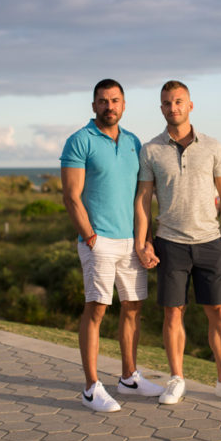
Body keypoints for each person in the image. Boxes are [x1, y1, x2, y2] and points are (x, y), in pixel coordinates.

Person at [134, 80, 221, 406]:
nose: (173, 108)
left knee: (219, 312)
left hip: (211, 243)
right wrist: (143, 242)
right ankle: (176, 379)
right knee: (173, 314)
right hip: (169, 242)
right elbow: (144, 199)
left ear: (190, 105)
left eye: (178, 102)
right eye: (167, 103)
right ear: (161, 108)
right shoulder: (150, 150)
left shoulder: (213, 147)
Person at [60, 79, 164, 413]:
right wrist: (90, 237)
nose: (109, 106)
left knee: (133, 307)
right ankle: (91, 388)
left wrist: (144, 240)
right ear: (94, 106)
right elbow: (71, 196)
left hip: (130, 243)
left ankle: (129, 377)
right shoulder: (79, 141)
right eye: (102, 101)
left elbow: (141, 197)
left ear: (124, 104)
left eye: (115, 100)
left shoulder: (134, 142)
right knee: (97, 309)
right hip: (98, 241)